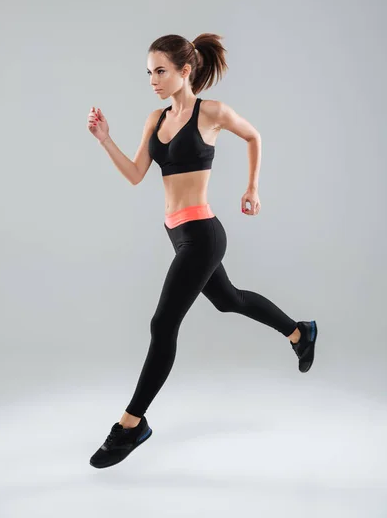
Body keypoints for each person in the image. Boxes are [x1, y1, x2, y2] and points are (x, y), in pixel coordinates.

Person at [86, 33, 318, 470]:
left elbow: (253, 136)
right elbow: (137, 175)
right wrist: (104, 139)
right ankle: (300, 332)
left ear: (185, 71)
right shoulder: (154, 119)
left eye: (161, 71)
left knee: (162, 323)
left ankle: (132, 424)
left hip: (203, 234)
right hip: (177, 234)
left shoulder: (210, 112)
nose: (153, 80)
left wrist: (252, 187)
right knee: (230, 301)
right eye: (149, 72)